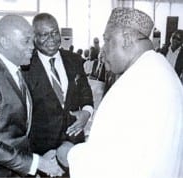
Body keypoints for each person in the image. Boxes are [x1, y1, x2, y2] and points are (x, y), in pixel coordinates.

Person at [68, 8, 183, 178]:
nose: (102, 50)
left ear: (128, 39)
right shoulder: (160, 69)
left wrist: (69, 154)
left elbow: (109, 165)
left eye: (107, 40)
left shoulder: (137, 85)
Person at [0, 15, 64, 177]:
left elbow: (15, 132)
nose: (33, 46)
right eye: (26, 41)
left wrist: (34, 159)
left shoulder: (17, 71)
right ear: (4, 42)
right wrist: (36, 163)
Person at [22, 13, 93, 177]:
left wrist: (86, 113)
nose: (52, 39)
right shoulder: (26, 66)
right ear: (34, 37)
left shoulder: (75, 60)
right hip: (41, 152)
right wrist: (37, 158)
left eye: (54, 32)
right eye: (44, 35)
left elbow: (86, 93)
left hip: (73, 146)